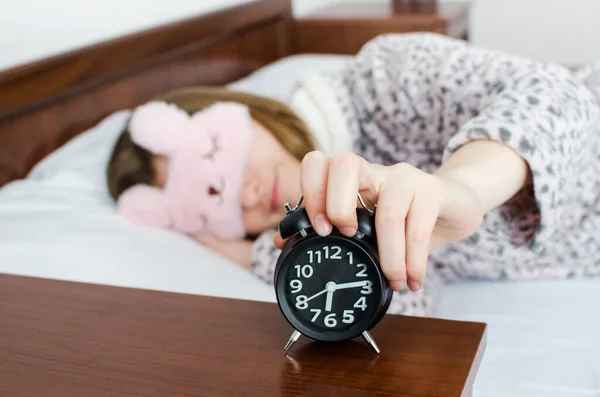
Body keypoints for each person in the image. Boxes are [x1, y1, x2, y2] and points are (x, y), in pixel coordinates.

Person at [106, 33, 600, 316]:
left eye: (221, 153)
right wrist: (263, 256)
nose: (246, 191)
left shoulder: (385, 77)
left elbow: (557, 96)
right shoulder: (325, 235)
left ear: (239, 109)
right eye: (212, 206)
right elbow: (399, 307)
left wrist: (462, 189)